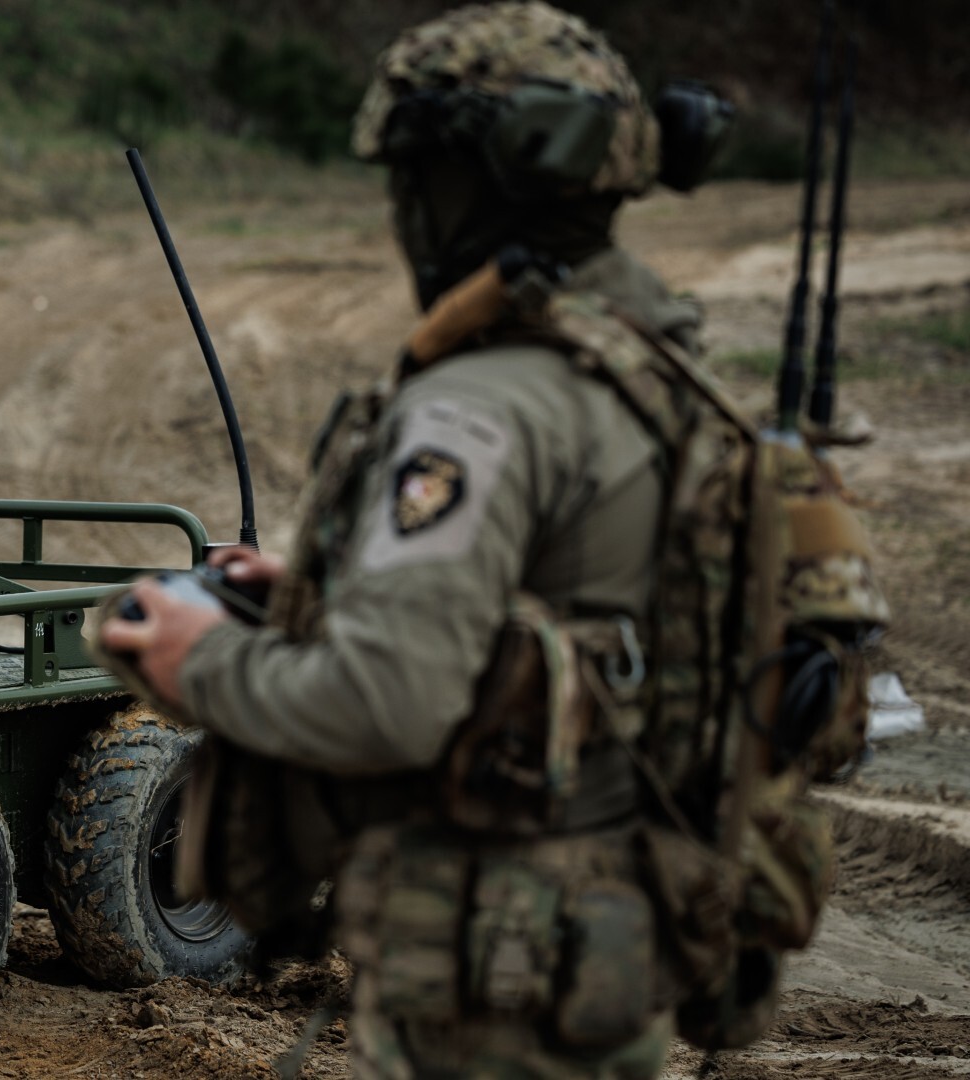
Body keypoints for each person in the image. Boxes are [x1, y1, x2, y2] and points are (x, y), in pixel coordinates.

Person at [99, 3, 717, 1076]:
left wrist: (199, 659)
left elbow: (387, 704)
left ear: (472, 183)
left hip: (491, 966)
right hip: (607, 924)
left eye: (411, 181)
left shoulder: (480, 407)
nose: (402, 214)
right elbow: (584, 610)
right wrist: (344, 594)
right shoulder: (651, 370)